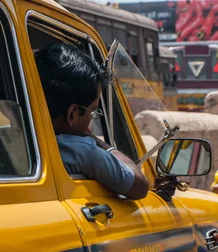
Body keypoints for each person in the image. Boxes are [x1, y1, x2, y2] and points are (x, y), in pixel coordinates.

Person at [34, 44, 149, 200]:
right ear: (72, 114)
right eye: (92, 111)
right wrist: (95, 140)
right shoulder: (82, 151)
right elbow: (139, 185)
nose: (91, 118)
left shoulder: (3, 138)